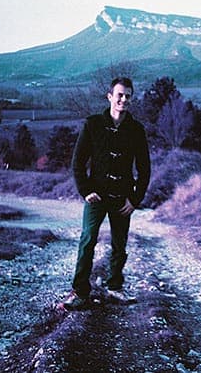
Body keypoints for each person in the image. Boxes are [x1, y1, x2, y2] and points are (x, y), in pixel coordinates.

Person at [62, 77, 151, 310]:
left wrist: (135, 199)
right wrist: (85, 190)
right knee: (87, 239)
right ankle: (80, 291)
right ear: (110, 96)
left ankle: (115, 287)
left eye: (128, 96)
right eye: (120, 95)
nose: (124, 99)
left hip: (122, 197)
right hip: (97, 196)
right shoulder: (92, 124)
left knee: (119, 244)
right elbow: (78, 162)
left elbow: (144, 169)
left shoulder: (136, 130)